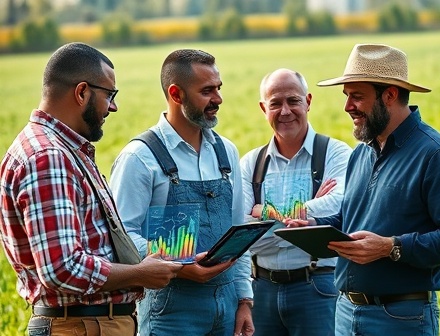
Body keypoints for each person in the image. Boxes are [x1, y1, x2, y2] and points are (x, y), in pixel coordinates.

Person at [286, 43, 440, 335]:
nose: (348, 107)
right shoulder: (361, 153)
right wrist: (315, 226)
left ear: (390, 95)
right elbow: (352, 219)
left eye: (357, 97)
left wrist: (391, 247)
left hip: (401, 318)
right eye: (347, 97)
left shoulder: (435, 155)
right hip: (345, 311)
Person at [0, 42, 182, 336]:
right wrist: (140, 274)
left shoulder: (59, 149)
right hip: (81, 325)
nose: (113, 106)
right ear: (82, 92)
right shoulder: (48, 157)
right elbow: (62, 269)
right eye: (109, 94)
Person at [109, 49, 254, 336]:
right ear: (176, 94)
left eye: (218, 88)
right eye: (207, 91)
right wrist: (178, 266)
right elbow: (123, 238)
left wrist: (244, 300)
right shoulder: (140, 158)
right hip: (170, 310)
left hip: (226, 306)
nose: (218, 99)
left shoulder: (227, 151)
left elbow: (239, 231)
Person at [240, 68, 352, 335]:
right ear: (262, 108)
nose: (285, 111)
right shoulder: (250, 163)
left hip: (318, 287)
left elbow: (340, 206)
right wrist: (309, 213)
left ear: (308, 101)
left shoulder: (336, 153)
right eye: (275, 103)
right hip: (261, 288)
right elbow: (242, 227)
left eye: (293, 101)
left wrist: (263, 211)